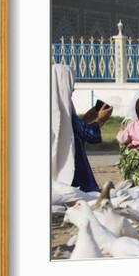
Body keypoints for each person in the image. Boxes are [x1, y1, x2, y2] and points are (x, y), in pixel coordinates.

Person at [51, 63, 113, 192]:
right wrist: (101, 120)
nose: (73, 89)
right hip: (75, 174)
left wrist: (86, 119)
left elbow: (71, 131)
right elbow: (88, 134)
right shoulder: (64, 111)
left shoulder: (55, 108)